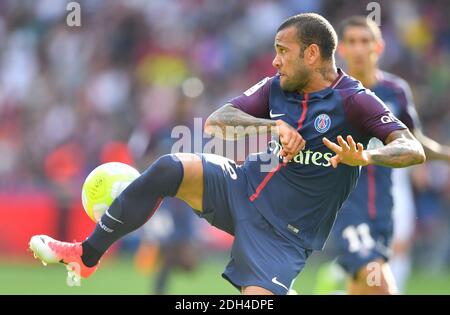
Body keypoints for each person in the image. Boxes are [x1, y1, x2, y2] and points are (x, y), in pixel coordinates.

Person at [29, 13, 426, 295]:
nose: (274, 60)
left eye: (282, 51)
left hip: (283, 236)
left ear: (311, 54)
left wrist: (368, 158)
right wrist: (271, 126)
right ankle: (87, 253)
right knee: (170, 167)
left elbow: (410, 147)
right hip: (241, 186)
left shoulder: (356, 101)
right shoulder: (276, 86)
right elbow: (219, 120)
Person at [315, 16, 450, 295]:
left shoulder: (395, 91)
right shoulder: (327, 93)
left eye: (366, 41)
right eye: (352, 42)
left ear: (379, 47)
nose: (359, 48)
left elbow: (415, 143)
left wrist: (447, 156)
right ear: (341, 50)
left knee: (362, 286)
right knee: (380, 283)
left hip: (385, 204)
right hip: (348, 204)